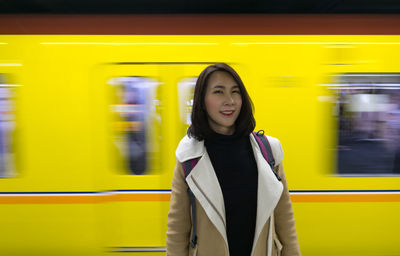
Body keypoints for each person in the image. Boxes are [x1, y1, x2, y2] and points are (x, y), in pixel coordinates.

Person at [166, 63, 300, 256]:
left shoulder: (268, 151)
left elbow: (285, 222)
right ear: (202, 101)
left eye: (235, 92)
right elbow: (177, 232)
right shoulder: (189, 157)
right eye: (218, 92)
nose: (229, 101)